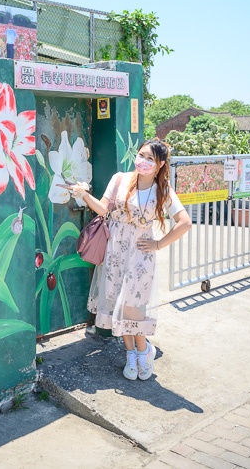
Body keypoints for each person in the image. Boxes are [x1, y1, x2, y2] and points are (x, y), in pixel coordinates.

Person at [65, 138, 191, 380]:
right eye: (141, 155)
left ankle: (143, 352)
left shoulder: (162, 190)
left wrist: (158, 244)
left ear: (161, 164)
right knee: (117, 304)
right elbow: (103, 209)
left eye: (149, 159)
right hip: (115, 251)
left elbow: (184, 222)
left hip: (141, 254)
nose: (142, 161)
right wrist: (83, 195)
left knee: (132, 306)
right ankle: (130, 355)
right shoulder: (120, 179)